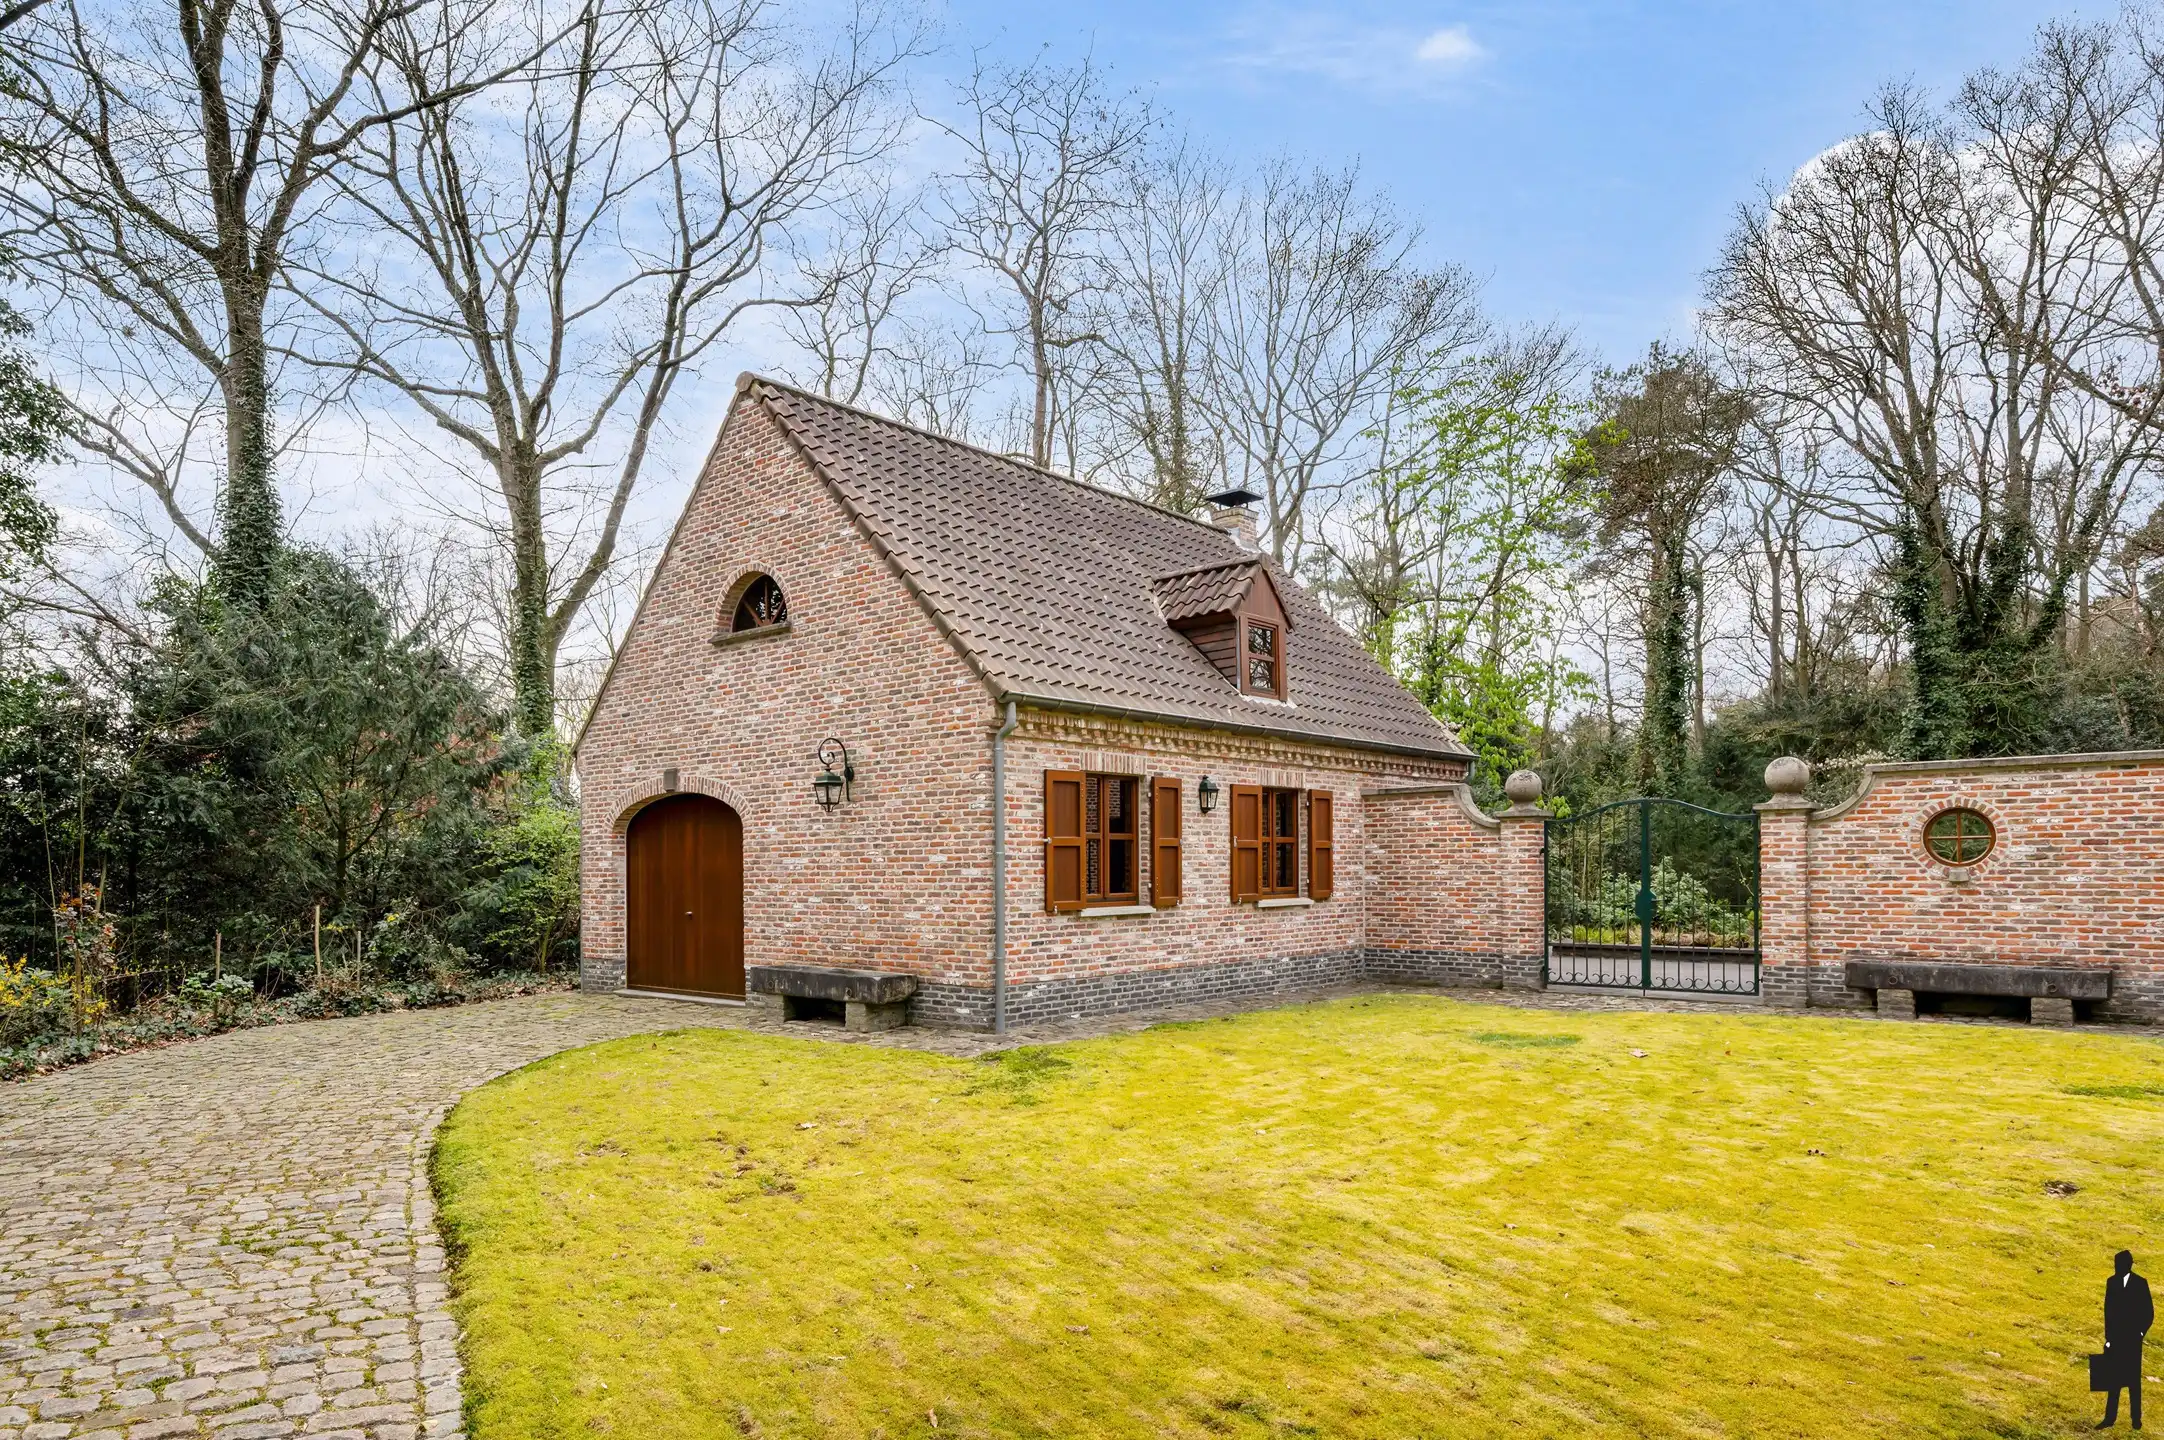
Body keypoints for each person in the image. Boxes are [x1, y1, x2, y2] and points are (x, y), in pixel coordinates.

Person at [2101, 1250, 2154, 1431]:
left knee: (2133, 1381)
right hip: (2116, 1339)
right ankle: (2109, 1418)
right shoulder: (2112, 1282)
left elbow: (2148, 1312)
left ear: (2129, 1265)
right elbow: (2108, 1312)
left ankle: (2135, 1419)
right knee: (2113, 1380)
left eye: (2120, 1264)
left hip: (2132, 1340)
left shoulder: (2140, 1284)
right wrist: (2108, 1338)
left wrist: (2140, 1333)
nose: (2117, 1267)